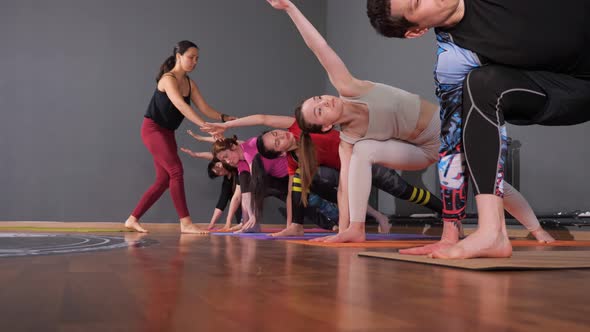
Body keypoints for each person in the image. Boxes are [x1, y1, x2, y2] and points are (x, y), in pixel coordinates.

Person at [267, 0, 555, 244]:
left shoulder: (349, 86)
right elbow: (345, 187)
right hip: (419, 152)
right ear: (327, 127)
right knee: (362, 151)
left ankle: (537, 230)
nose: (324, 102)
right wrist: (344, 227)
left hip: (443, 132)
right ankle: (354, 230)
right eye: (318, 111)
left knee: (493, 181)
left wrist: (291, 7)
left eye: (318, 98)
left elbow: (320, 47)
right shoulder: (349, 139)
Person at [367, 0, 586, 258]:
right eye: (416, 3)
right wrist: (450, 234)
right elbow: (451, 142)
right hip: (577, 87)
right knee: (481, 85)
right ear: (416, 31)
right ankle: (492, 233)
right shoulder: (455, 56)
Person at [203, 113, 442, 237]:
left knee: (403, 190)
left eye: (277, 133)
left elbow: (263, 118)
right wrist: (291, 225)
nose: (280, 137)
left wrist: (228, 126)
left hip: (363, 156)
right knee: (301, 180)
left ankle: (445, 210)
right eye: (276, 142)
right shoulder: (292, 161)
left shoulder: (298, 128)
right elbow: (290, 194)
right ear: (278, 153)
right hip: (348, 171)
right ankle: (303, 225)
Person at [124, 40, 236, 234]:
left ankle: (132, 219)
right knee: (176, 171)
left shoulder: (190, 84)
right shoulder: (168, 79)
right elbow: (181, 106)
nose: (194, 62)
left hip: (167, 133)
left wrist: (224, 118)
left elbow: (204, 107)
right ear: (179, 56)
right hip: (153, 130)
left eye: (197, 59)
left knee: (163, 180)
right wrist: (206, 127)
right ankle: (185, 223)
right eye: (191, 57)